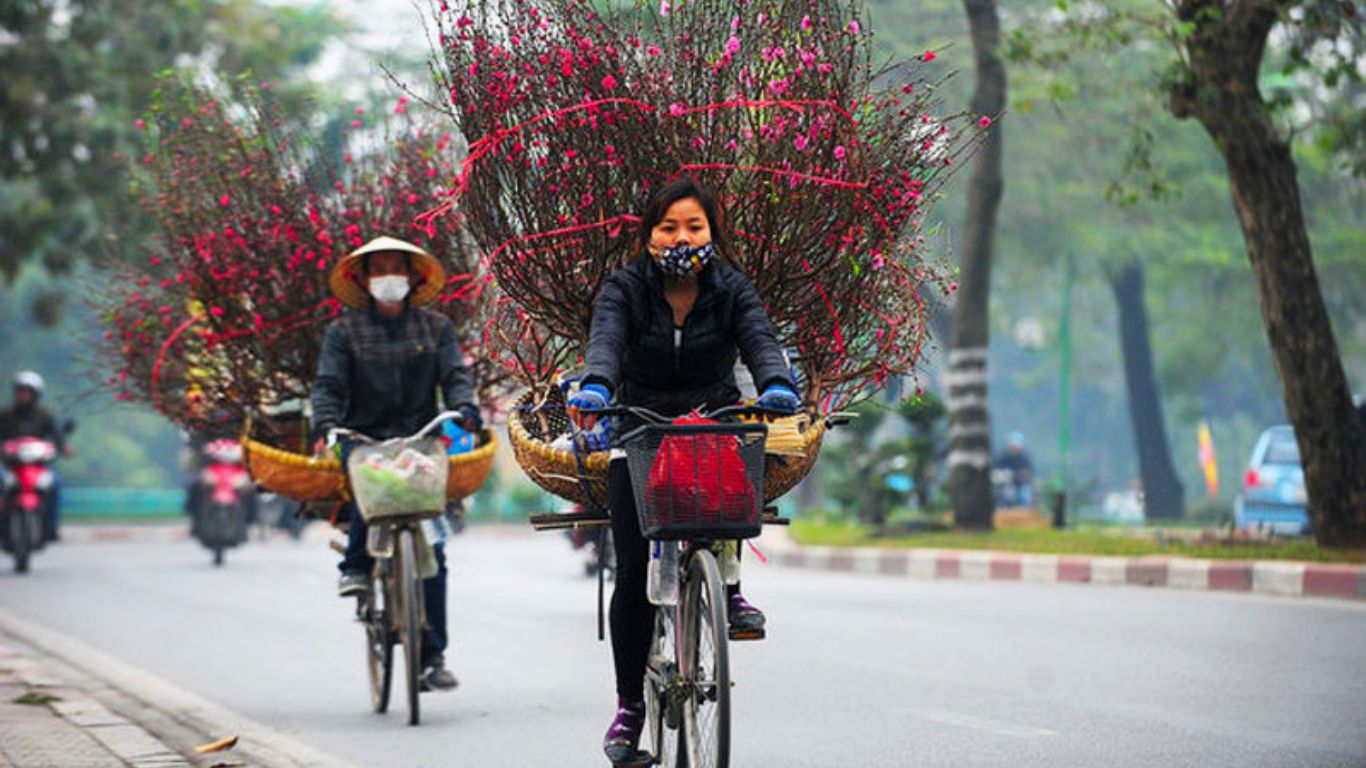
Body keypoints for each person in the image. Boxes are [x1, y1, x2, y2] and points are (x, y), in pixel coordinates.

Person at [568, 176, 799, 766]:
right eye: (668, 227)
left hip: (712, 420)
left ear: (712, 234)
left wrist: (775, 384)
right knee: (632, 578)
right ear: (647, 236)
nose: (681, 237)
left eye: (694, 226)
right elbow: (606, 344)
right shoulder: (623, 289)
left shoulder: (732, 290)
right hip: (639, 427)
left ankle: (731, 588)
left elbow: (761, 341)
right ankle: (628, 712)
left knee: (728, 481)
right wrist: (596, 386)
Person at [309, 235, 481, 693]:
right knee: (371, 497)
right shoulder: (343, 333)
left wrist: (465, 405)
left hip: (420, 443)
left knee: (435, 551)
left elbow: (455, 376)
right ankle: (357, 568)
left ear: (412, 275)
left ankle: (432, 656)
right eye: (378, 268)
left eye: (396, 267)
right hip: (363, 440)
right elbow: (328, 385)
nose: (389, 276)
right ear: (364, 279)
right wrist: (326, 423)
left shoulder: (436, 329)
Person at [0, 371, 72, 542]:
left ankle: (51, 527)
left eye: (28, 391)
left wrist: (63, 447)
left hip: (38, 466)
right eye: (21, 391)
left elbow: (57, 436)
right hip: (11, 466)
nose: (24, 395)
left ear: (35, 394)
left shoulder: (45, 416)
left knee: (55, 485)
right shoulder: (5, 416)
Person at [995, 431, 1034, 507]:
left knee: (1025, 495)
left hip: (1021, 485)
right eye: (1012, 445)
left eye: (1016, 446)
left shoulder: (1024, 459)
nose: (1014, 448)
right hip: (1007, 485)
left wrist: (1013, 475)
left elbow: (1027, 475)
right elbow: (997, 475)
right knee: (1007, 494)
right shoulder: (1002, 459)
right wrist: (1011, 475)